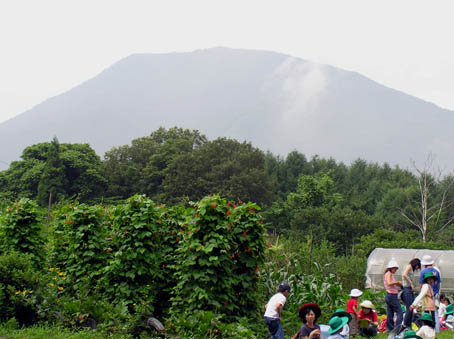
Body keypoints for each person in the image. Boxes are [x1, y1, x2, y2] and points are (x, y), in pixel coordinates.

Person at [418, 254, 442, 332]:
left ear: (424, 264)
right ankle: (437, 330)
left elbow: (421, 285)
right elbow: (438, 284)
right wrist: (437, 293)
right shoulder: (436, 271)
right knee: (435, 312)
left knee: (426, 312)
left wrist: (420, 294)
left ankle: (426, 328)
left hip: (427, 295)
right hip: (435, 294)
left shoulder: (423, 272)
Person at [384, 259, 403, 332]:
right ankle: (398, 328)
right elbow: (389, 283)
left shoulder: (387, 274)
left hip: (389, 295)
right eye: (394, 268)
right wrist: (397, 282)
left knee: (390, 313)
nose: (395, 270)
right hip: (392, 295)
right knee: (399, 312)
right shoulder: (389, 274)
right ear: (391, 268)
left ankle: (390, 329)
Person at [402, 258, 421, 329]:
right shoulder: (409, 266)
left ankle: (408, 324)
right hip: (407, 289)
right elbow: (404, 275)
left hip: (409, 289)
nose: (417, 268)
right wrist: (411, 283)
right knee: (409, 308)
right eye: (417, 266)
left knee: (411, 307)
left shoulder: (410, 268)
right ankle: (406, 324)